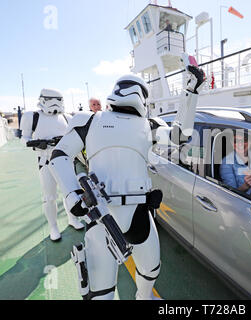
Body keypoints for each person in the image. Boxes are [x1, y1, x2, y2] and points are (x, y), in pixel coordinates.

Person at [49, 57, 205, 300]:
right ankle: (144, 296)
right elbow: (58, 155)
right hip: (106, 212)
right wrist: (72, 194)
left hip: (130, 211)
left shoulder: (106, 122)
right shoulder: (93, 120)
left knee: (147, 271)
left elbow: (59, 155)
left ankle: (144, 296)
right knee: (105, 290)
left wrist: (191, 91)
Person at [20, 89, 84, 241]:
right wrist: (35, 144)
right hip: (45, 161)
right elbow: (24, 138)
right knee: (50, 197)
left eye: (57, 99)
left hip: (65, 160)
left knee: (70, 192)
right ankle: (53, 227)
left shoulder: (67, 117)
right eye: (50, 99)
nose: (54, 103)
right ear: (42, 99)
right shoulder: (32, 116)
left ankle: (72, 218)